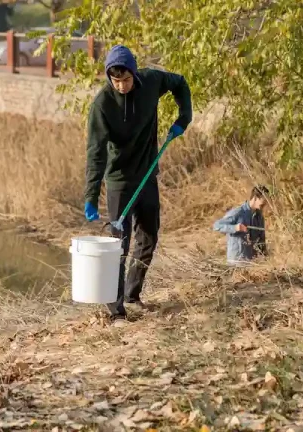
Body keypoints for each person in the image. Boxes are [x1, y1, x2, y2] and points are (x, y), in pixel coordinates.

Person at [82, 44, 192, 322]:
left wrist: (184, 117)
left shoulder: (152, 81)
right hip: (119, 181)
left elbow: (179, 83)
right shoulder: (102, 104)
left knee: (149, 236)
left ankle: (132, 294)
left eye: (126, 80)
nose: (121, 86)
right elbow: (95, 153)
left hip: (147, 174)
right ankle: (115, 309)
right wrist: (91, 196)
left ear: (134, 73)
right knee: (120, 244)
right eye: (115, 81)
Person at [213, 186, 269, 266]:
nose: (266, 203)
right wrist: (235, 228)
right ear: (256, 198)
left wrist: (264, 257)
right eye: (264, 200)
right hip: (236, 262)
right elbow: (217, 225)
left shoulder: (259, 217)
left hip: (251, 263)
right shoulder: (238, 212)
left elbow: (261, 240)